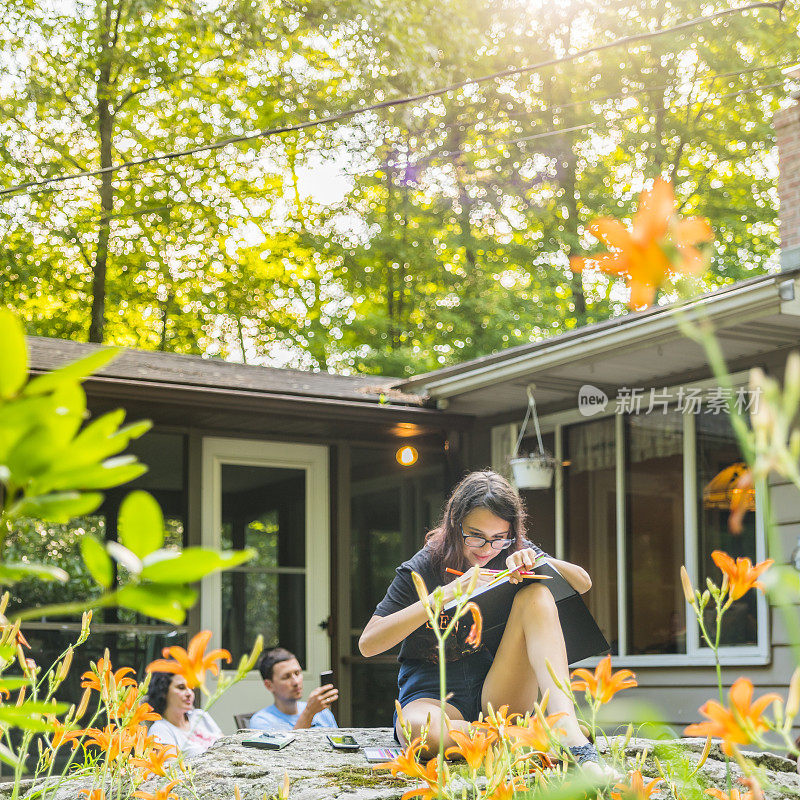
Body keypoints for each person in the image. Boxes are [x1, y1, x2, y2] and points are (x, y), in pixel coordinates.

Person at [358, 470, 608, 773]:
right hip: (433, 695)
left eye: (498, 538)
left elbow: (583, 583)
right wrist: (444, 595)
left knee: (537, 594)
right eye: (475, 536)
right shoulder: (425, 564)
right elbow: (369, 644)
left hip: (500, 689)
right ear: (454, 524)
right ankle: (523, 740)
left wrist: (535, 559)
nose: (487, 549)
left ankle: (564, 725)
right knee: (422, 733)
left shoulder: (512, 549)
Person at [250, 647, 338, 731]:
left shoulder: (321, 711)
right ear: (269, 685)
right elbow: (290, 746)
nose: (296, 682)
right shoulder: (261, 721)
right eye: (286, 677)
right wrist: (309, 713)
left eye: (297, 673)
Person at [146, 672, 222, 757]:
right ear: (163, 692)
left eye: (191, 688)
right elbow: (170, 767)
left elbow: (227, 743)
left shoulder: (200, 715)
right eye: (181, 688)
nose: (189, 693)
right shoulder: (160, 730)